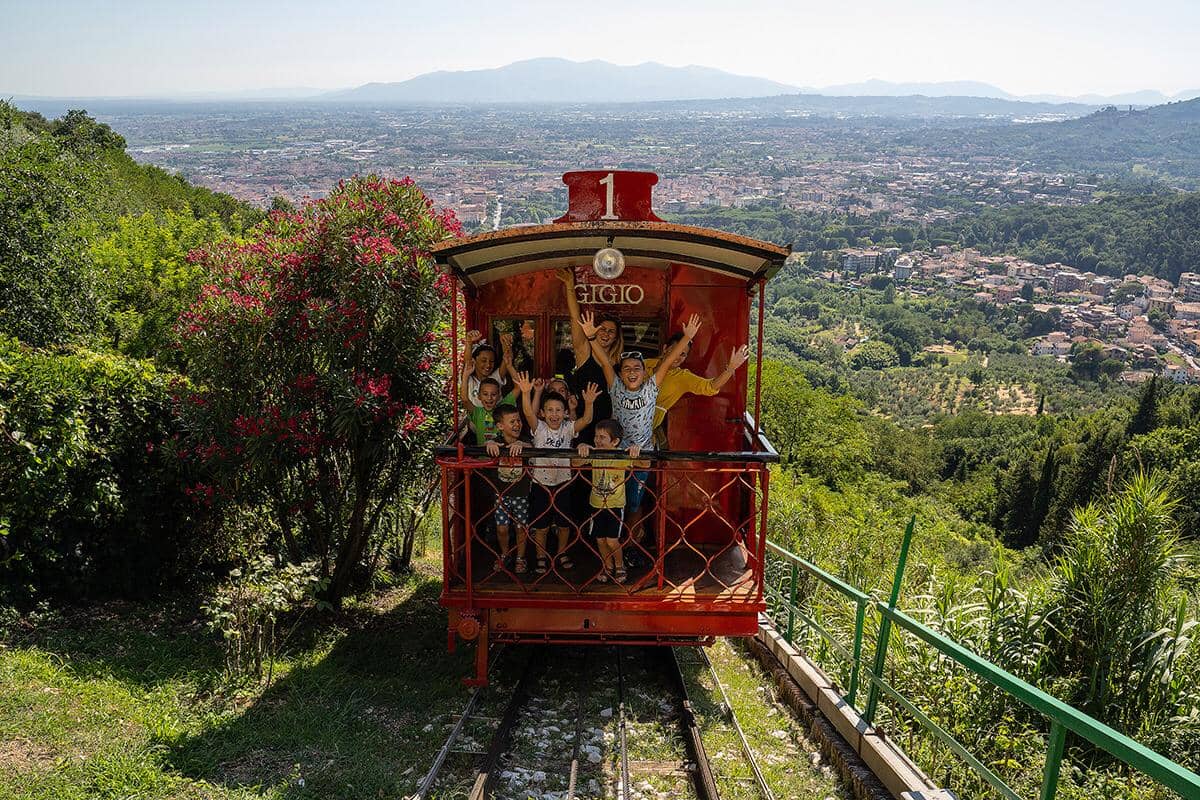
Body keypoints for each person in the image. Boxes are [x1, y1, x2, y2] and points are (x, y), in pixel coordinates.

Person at [579, 310, 702, 567]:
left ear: (644, 372)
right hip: (616, 456)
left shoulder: (651, 387)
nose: (632, 372)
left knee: (634, 504)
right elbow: (603, 361)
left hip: (642, 456)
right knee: (610, 500)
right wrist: (591, 335)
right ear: (621, 373)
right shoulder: (615, 386)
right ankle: (609, 549)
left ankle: (628, 547)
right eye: (627, 369)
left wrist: (687, 337)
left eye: (637, 368)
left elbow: (667, 362)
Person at [513, 371, 599, 574]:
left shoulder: (568, 428)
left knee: (563, 523)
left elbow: (586, 420)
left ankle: (561, 553)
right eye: (550, 410)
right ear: (542, 413)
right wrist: (526, 393)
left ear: (565, 413)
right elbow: (527, 413)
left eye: (559, 410)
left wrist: (589, 402)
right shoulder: (539, 428)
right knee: (541, 525)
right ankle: (541, 556)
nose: (554, 414)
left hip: (563, 482)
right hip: (541, 483)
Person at [556, 268, 622, 444]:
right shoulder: (585, 350)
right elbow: (574, 317)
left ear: (616, 337)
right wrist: (570, 286)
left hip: (609, 425)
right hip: (583, 421)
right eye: (602, 329)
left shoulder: (619, 361)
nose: (606, 334)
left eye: (611, 332)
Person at [646, 335, 751, 445]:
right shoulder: (644, 364)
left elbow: (710, 386)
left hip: (645, 429)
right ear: (665, 348)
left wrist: (730, 369)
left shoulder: (683, 377)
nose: (677, 357)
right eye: (675, 350)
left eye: (683, 354)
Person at [577, 419, 640, 584]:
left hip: (615, 506)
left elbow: (645, 464)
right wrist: (582, 449)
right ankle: (607, 566)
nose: (597, 440)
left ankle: (620, 566)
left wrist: (635, 451)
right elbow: (574, 463)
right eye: (596, 436)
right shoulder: (595, 453)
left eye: (602, 437)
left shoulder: (621, 456)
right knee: (600, 539)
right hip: (596, 504)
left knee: (612, 540)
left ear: (615, 442)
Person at [484, 404, 530, 573]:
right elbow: (487, 446)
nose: (517, 424)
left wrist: (522, 445)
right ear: (500, 426)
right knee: (501, 528)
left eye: (518, 420)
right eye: (512, 421)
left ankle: (520, 557)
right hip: (501, 494)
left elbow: (532, 447)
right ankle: (505, 554)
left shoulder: (524, 440)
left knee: (520, 528)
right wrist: (489, 443)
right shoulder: (496, 442)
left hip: (521, 494)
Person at [459, 330, 502, 408]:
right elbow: (467, 364)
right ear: (474, 361)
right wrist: (469, 343)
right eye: (483, 361)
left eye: (492, 361)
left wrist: (506, 345)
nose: (488, 365)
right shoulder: (469, 380)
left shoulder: (495, 378)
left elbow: (507, 360)